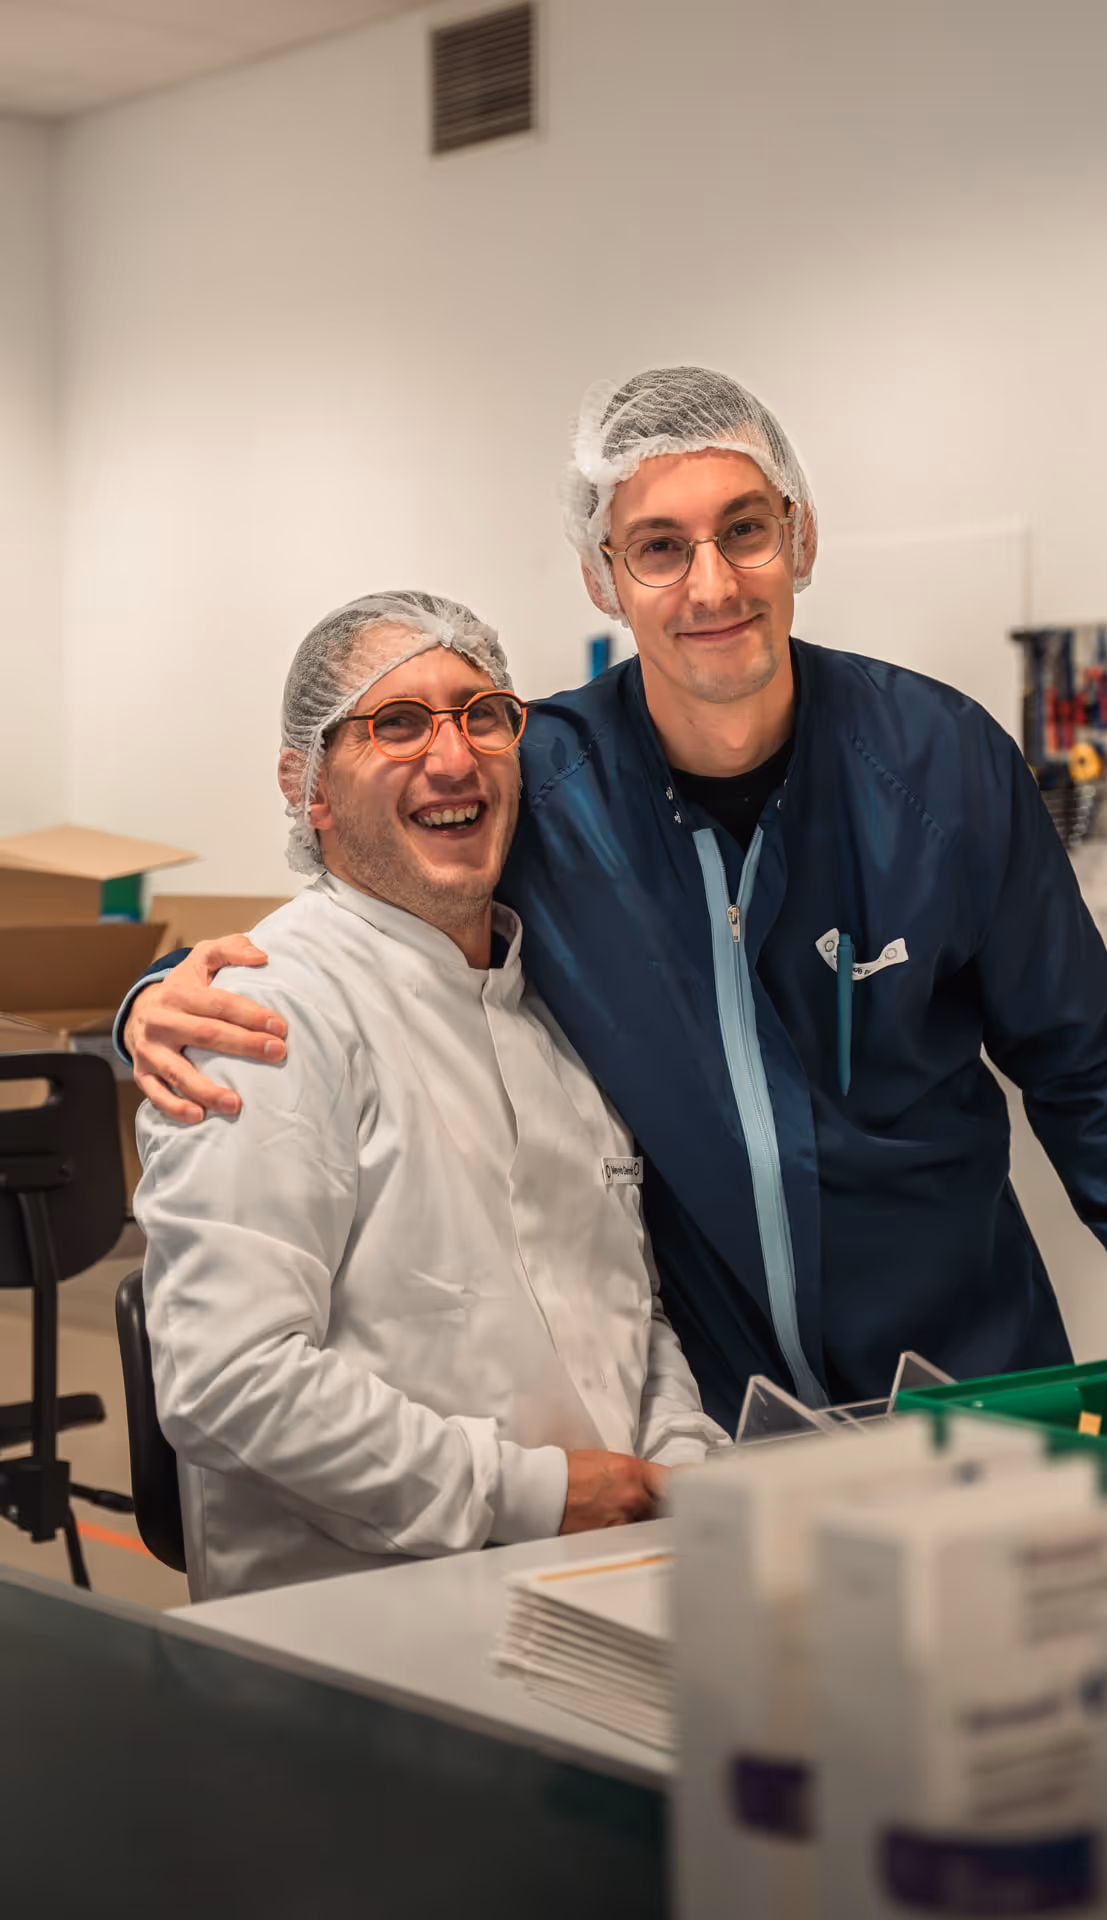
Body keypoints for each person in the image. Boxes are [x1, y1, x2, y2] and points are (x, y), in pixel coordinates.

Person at [122, 368, 1107, 1432]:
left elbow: (1076, 1044)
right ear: (603, 576)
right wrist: (153, 1000)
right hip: (719, 1410)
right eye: (659, 547)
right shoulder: (543, 785)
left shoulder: (938, 766)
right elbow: (368, 920)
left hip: (968, 1364)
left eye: (744, 531)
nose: (711, 584)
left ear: (801, 538)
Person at [132, 590, 726, 1601]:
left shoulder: (550, 1010)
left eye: (480, 714)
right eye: (394, 724)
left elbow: (626, 1304)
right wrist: (529, 1496)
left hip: (603, 1584)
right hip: (364, 1632)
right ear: (307, 785)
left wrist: (681, 1463)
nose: (451, 759)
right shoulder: (265, 1015)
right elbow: (227, 1378)